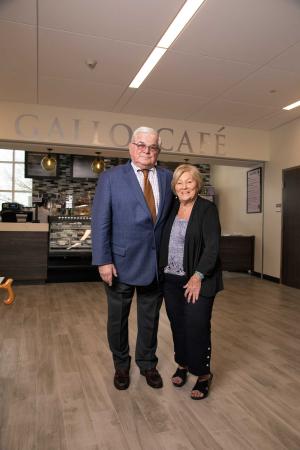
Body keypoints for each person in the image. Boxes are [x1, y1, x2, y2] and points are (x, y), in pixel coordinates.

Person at [91, 127, 173, 390]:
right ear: (130, 147)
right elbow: (101, 221)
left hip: (155, 265)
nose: (146, 151)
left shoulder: (168, 178)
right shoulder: (111, 178)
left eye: (153, 147)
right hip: (119, 263)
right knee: (118, 319)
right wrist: (103, 260)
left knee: (150, 319)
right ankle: (121, 366)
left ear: (158, 151)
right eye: (141, 145)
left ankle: (147, 364)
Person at [159, 164, 223, 400]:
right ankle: (183, 364)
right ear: (174, 187)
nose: (184, 186)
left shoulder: (207, 209)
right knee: (178, 325)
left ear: (197, 184)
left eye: (189, 181)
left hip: (198, 280)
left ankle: (203, 374)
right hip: (171, 280)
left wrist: (198, 276)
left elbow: (212, 247)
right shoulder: (172, 208)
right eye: (179, 182)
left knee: (197, 325)